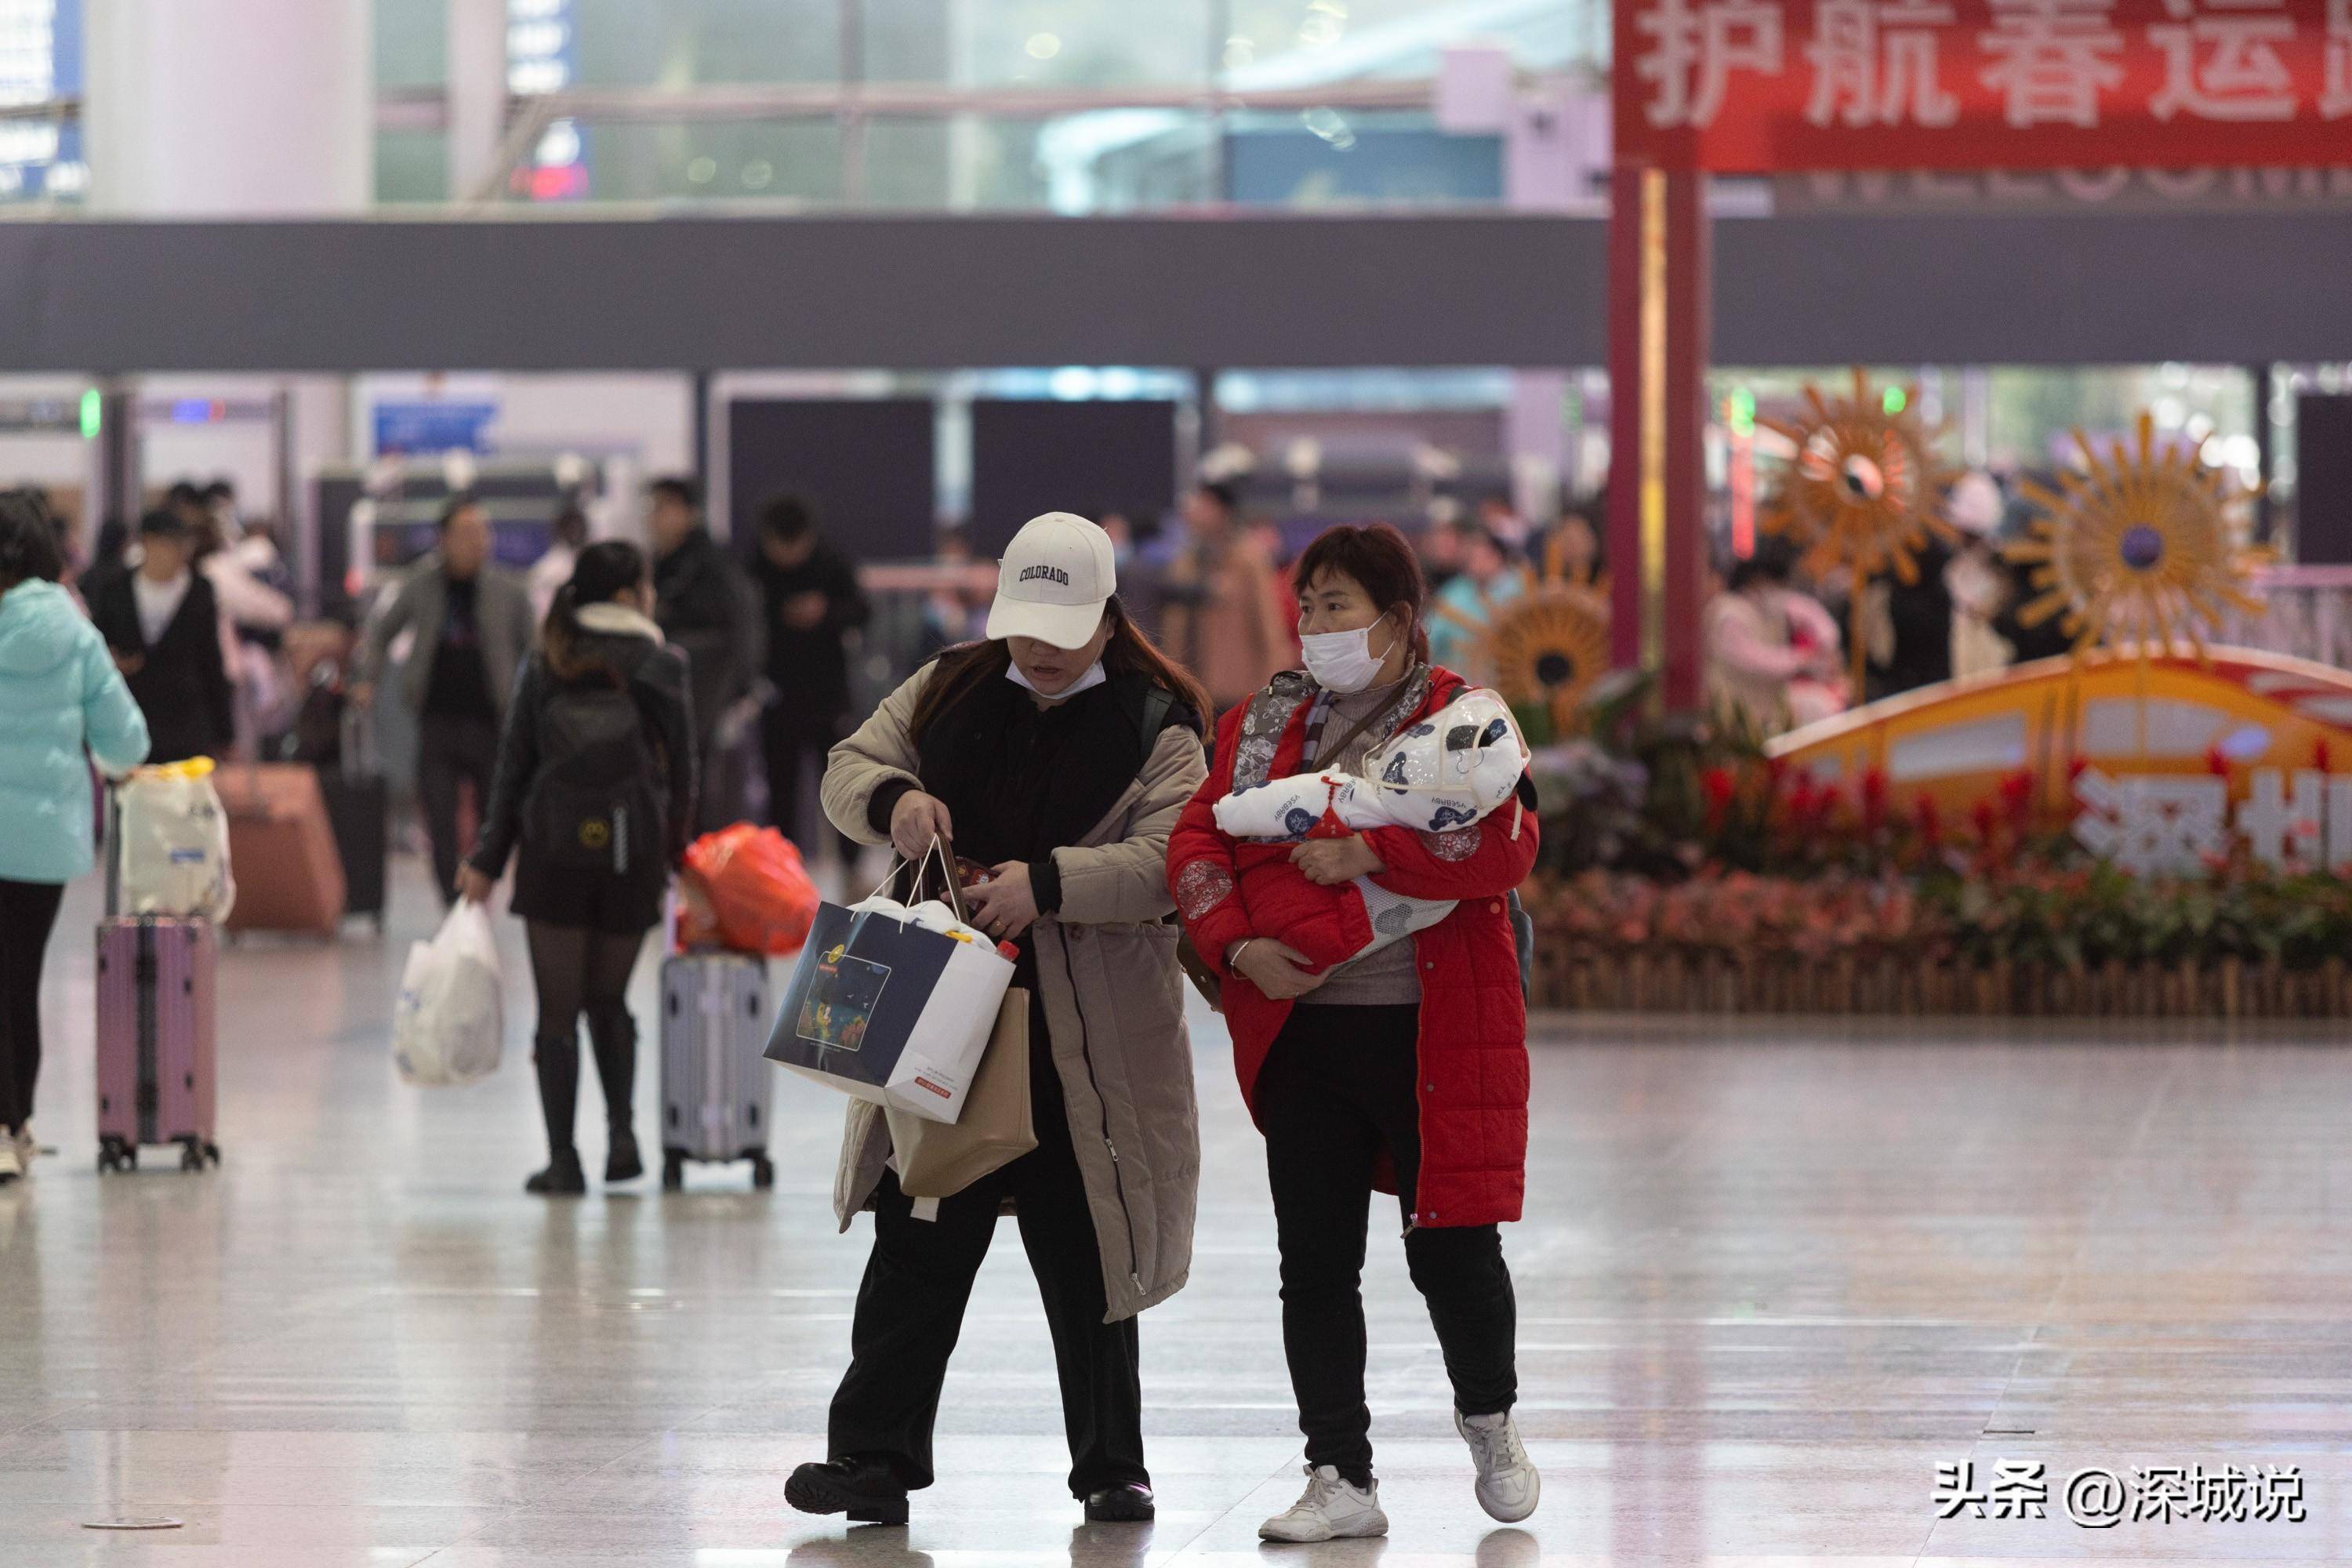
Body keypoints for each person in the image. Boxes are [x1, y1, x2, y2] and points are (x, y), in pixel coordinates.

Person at [787, 510, 1207, 1529]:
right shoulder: (949, 685)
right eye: (1024, 624)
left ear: (1109, 620)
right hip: (946, 1012)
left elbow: (1176, 856)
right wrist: (892, 801)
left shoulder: (1161, 721)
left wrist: (1051, 884)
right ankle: (873, 1459)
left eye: (1063, 630)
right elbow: (851, 763)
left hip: (1086, 1030)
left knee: (1088, 1244)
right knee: (920, 1231)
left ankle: (1112, 1464)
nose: (1039, 649)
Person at [1166, 523, 1541, 1544]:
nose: (1317, 625)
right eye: (1309, 606)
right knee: (1316, 1261)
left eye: (1339, 606)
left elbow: (1500, 847)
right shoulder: (1261, 725)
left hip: (1434, 1033)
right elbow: (1200, 832)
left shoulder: (1466, 720)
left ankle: (1490, 1419)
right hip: (1304, 1037)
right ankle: (1339, 1471)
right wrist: (1237, 949)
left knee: (1453, 1248)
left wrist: (1365, 857)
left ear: (1399, 620)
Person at [458, 541, 696, 1196]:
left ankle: (563, 1160)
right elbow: (683, 772)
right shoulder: (660, 661)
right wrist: (680, 859)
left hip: (552, 857)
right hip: (632, 856)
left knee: (557, 1013)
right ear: (627, 596)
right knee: (610, 1000)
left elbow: (514, 767)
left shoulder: (550, 657)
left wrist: (486, 859)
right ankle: (623, 1137)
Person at [0, 490, 150, 1185]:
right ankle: (14, 1125)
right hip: (43, 844)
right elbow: (128, 738)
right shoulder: (75, 631)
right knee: (17, 980)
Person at [354, 497, 535, 906]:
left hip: (492, 721)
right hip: (436, 720)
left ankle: (482, 892)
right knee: (439, 816)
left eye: (482, 533)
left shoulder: (507, 590)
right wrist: (367, 679)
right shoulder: (421, 585)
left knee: (497, 817)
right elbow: (380, 633)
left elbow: (537, 650)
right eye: (466, 534)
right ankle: (451, 900)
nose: (476, 543)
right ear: (443, 539)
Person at [748, 492, 868, 860]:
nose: (786, 555)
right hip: (777, 695)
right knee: (780, 790)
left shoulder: (830, 562)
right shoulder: (754, 569)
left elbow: (862, 610)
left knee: (841, 782)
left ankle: (852, 866)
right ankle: (783, 869)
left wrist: (824, 612)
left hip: (827, 694)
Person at [647, 477, 761, 833]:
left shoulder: (710, 564)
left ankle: (696, 859)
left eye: (664, 507)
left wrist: (741, 685)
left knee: (695, 777)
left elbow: (739, 625)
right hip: (671, 691)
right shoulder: (661, 564)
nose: (654, 517)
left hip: (703, 689)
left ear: (689, 513)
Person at [87, 510, 235, 766]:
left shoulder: (199, 590)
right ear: (147, 543)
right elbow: (96, 647)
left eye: (182, 544)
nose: (177, 552)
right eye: (169, 543)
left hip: (186, 721)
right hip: (130, 716)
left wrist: (225, 733)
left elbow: (211, 661)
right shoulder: (115, 589)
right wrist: (114, 662)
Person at [1161, 481, 1294, 717]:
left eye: (1203, 505)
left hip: (1238, 691)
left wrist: (1273, 687)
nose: (1193, 511)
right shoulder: (1186, 561)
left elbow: (1269, 627)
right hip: (1191, 689)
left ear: (1223, 511)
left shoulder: (1249, 559)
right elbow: (1173, 625)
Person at [1701, 538, 1845, 738]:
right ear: (1757, 580)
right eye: (1775, 584)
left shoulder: (1769, 606)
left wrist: (1826, 648)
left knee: (1821, 705)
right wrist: (1804, 660)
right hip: (1734, 719)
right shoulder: (1728, 613)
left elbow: (1816, 619)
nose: (1778, 591)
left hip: (1769, 714)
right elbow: (1758, 661)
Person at [1426, 522, 1528, 684]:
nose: (1474, 563)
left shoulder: (1524, 587)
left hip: (1518, 680)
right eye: (1470, 557)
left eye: (1480, 556)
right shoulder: (1453, 594)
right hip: (1468, 685)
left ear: (1497, 556)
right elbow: (1430, 639)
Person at [528, 506, 590, 625]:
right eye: (570, 528)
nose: (574, 532)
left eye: (578, 527)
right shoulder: (547, 567)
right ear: (560, 529)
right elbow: (538, 609)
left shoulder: (591, 561)